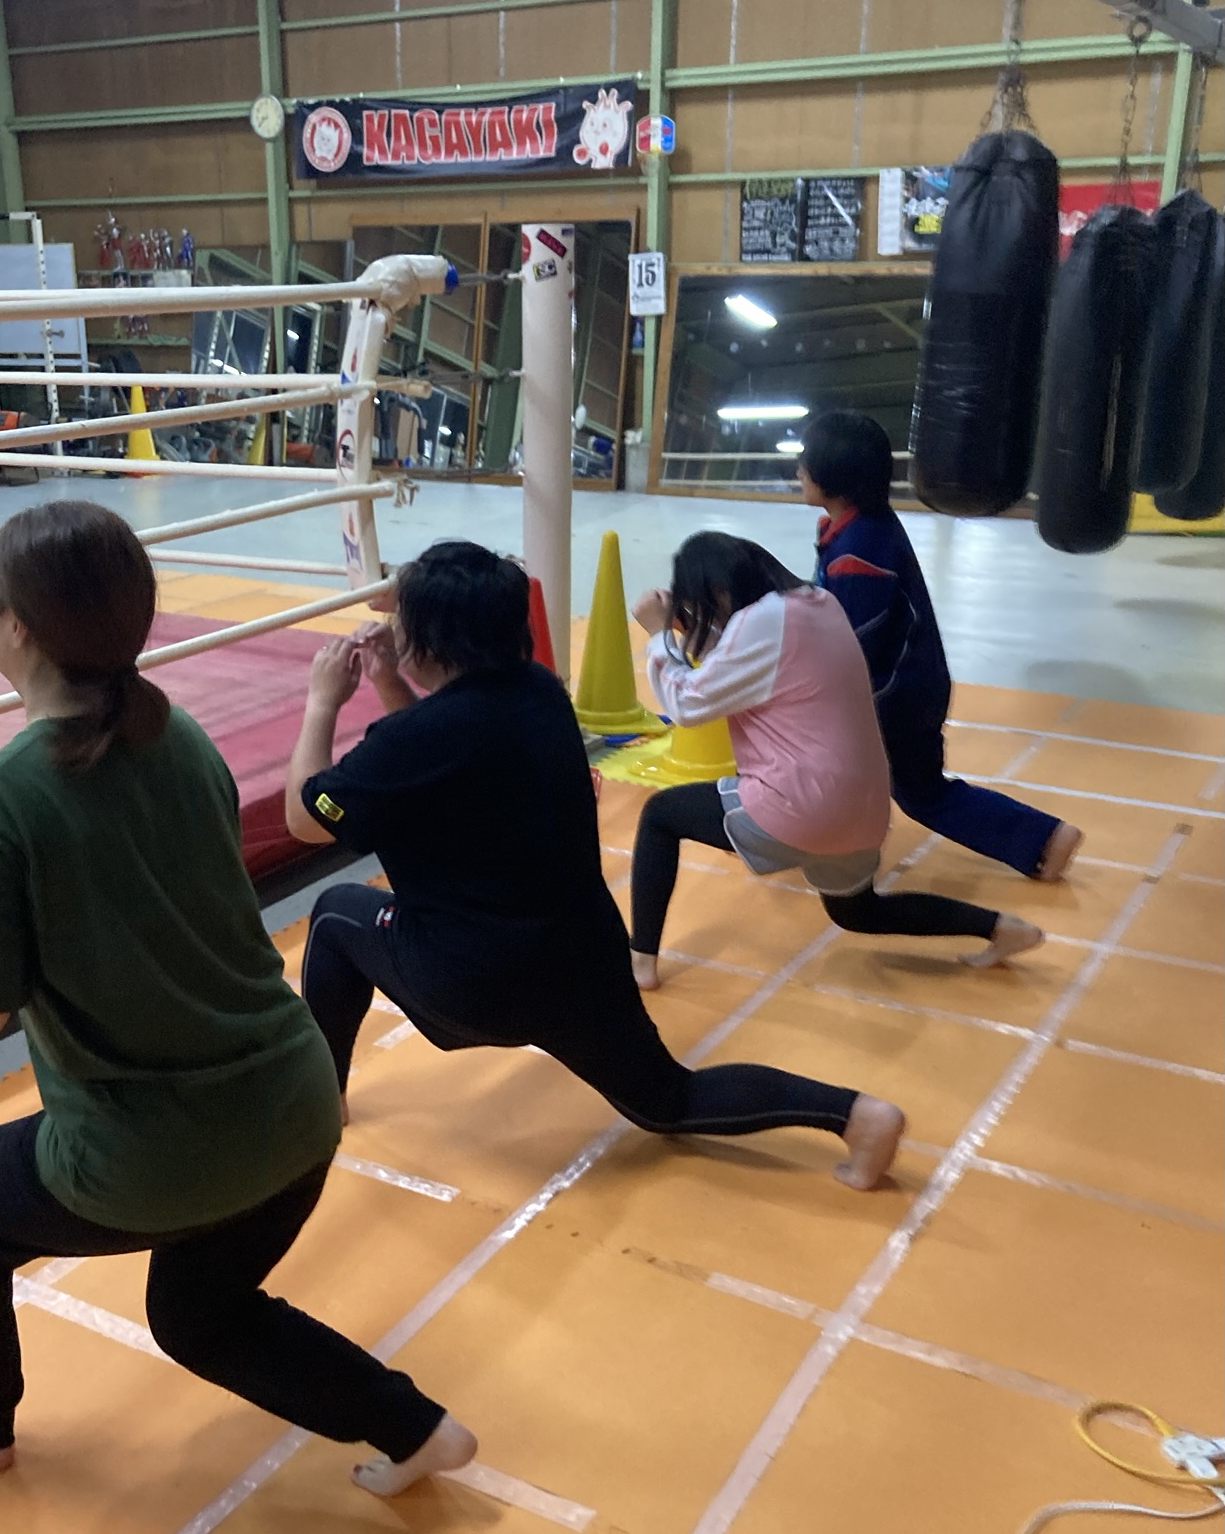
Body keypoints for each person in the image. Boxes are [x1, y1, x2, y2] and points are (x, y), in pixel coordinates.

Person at [0, 500, 472, 1499]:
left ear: (17, 625)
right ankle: (413, 1426)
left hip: (153, 1153)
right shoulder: (181, 734)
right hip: (298, 1106)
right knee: (199, 1314)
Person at [286, 539, 906, 1192]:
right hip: (582, 960)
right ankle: (858, 1115)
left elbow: (305, 819)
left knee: (334, 914)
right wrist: (389, 680)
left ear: (430, 642)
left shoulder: (407, 743)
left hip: (473, 982)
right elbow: (434, 747)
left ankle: (323, 1101)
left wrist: (323, 701)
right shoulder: (542, 693)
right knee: (668, 1100)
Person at [628, 532, 1045, 990]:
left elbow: (689, 705)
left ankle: (640, 960)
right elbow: (734, 665)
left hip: (803, 805)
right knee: (857, 910)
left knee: (660, 817)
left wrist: (658, 637)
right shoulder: (817, 603)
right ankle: (1001, 927)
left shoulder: (760, 623)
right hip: (864, 810)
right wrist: (687, 632)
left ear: (719, 592)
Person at [800, 408, 1082, 882]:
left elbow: (850, 646)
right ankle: (1044, 838)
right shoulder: (852, 528)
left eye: (806, 462)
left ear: (834, 475)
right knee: (890, 781)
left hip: (899, 696)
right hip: (907, 687)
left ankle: (1045, 839)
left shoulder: (860, 554)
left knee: (918, 792)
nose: (799, 471)